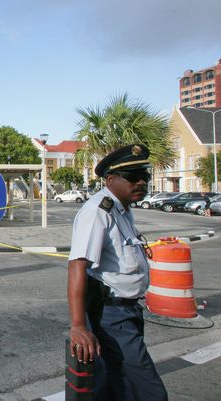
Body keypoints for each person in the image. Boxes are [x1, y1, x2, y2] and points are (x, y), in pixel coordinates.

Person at [67, 144, 168, 401]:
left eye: (144, 176)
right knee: (149, 390)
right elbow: (78, 264)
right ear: (110, 179)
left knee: (119, 386)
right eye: (133, 177)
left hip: (128, 310)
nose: (141, 182)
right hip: (111, 315)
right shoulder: (98, 211)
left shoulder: (122, 209)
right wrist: (78, 326)